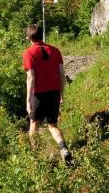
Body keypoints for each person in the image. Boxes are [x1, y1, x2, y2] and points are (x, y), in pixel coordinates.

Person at [22, 23, 72, 165]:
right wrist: (62, 93)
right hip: (54, 92)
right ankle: (63, 148)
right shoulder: (55, 51)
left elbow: (31, 77)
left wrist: (28, 99)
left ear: (29, 37)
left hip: (38, 94)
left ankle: (35, 157)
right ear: (41, 35)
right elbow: (62, 75)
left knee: (33, 124)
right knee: (52, 125)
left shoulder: (28, 53)